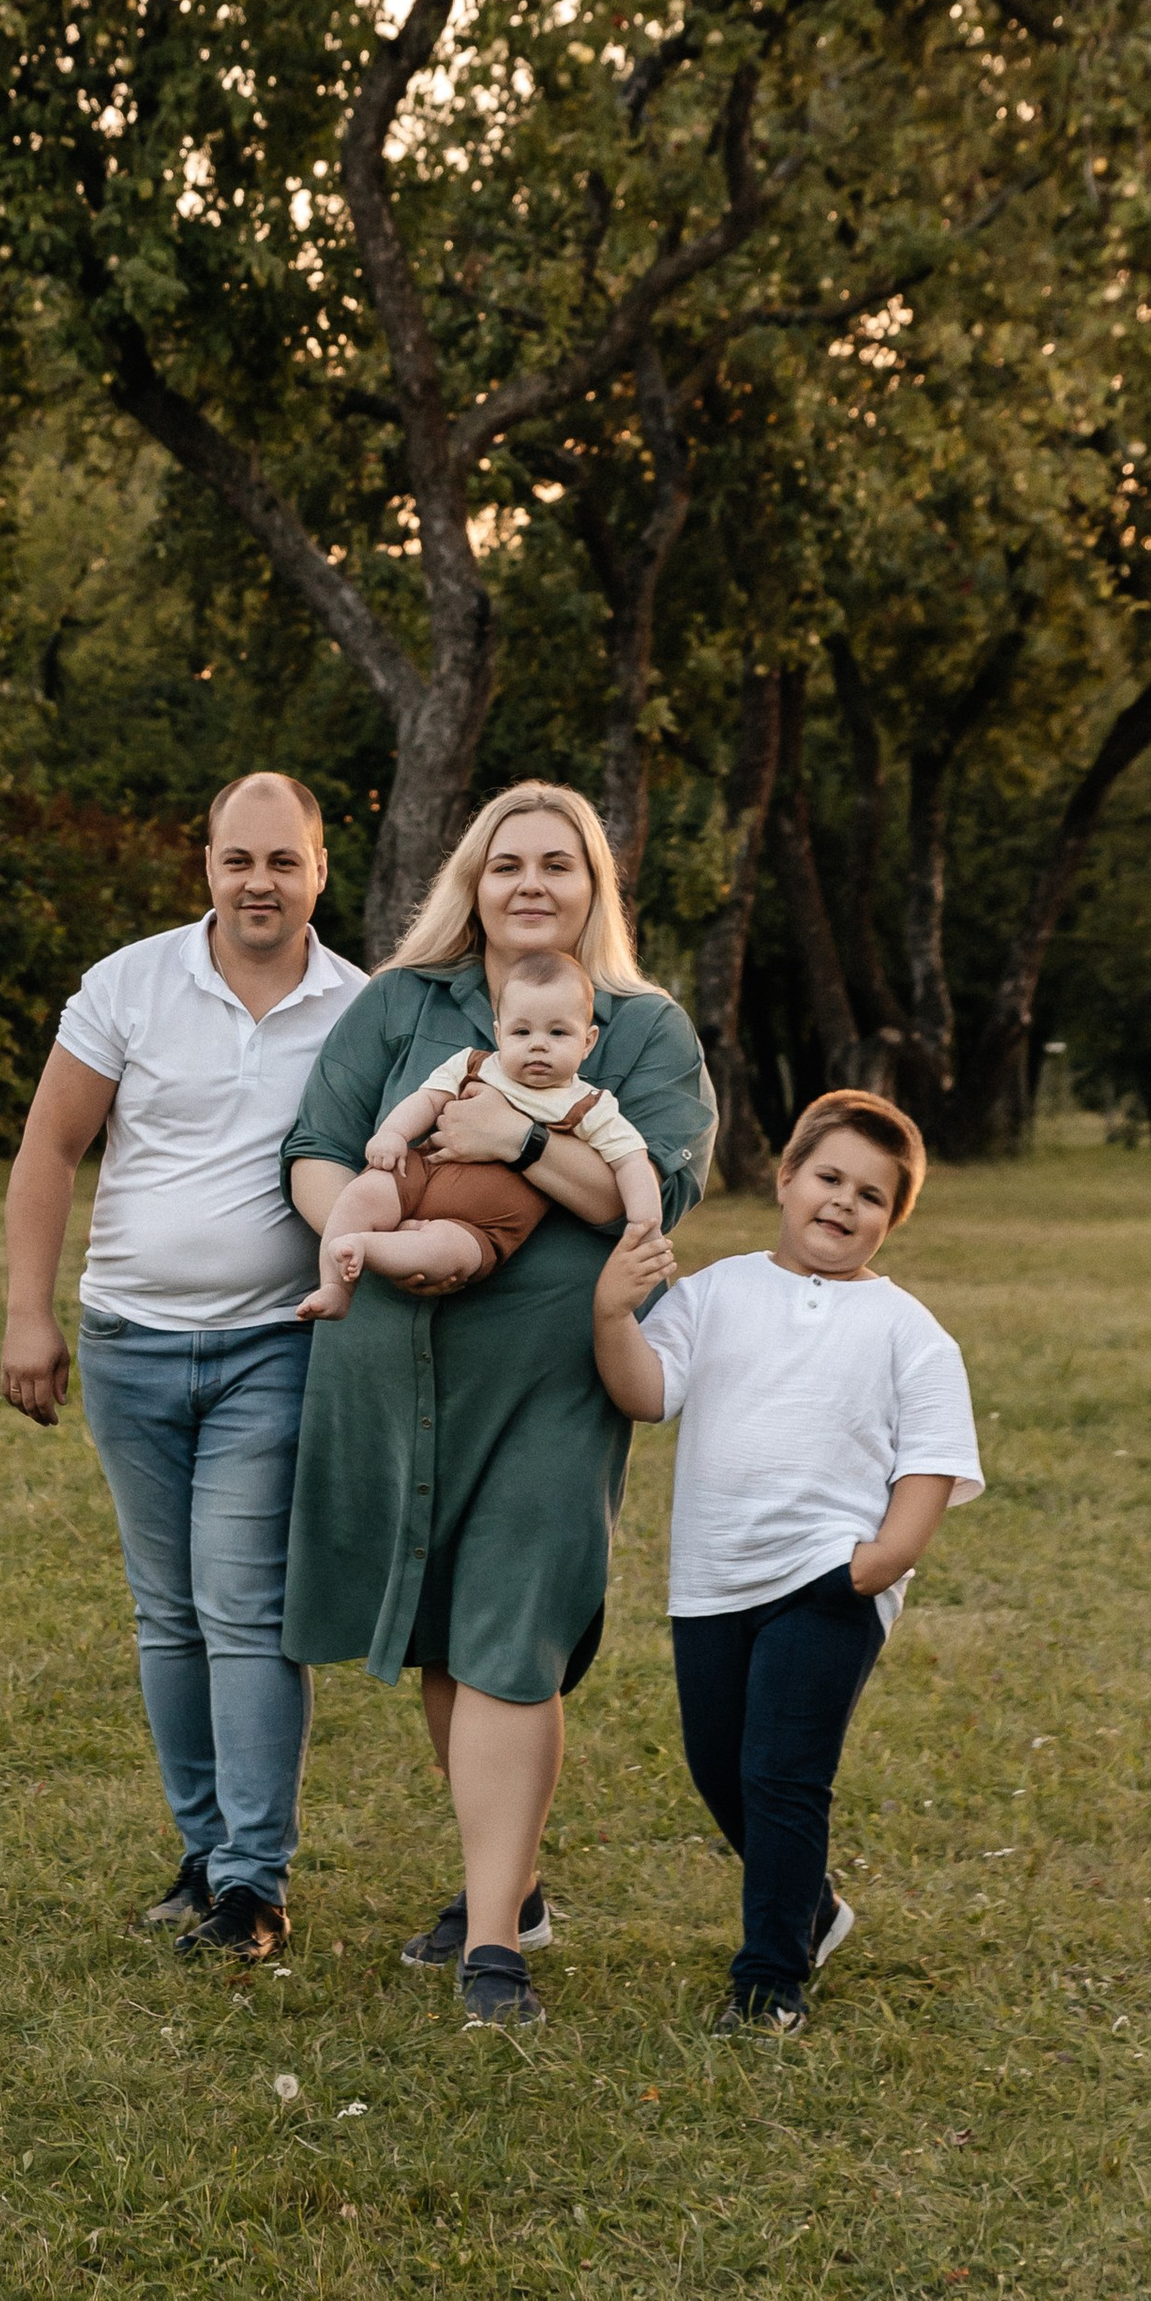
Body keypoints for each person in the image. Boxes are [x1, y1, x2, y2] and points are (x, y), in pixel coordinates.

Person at [279, 783, 716, 2027]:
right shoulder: (400, 1006)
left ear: (593, 891)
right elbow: (316, 1147)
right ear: (470, 881)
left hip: (548, 1386)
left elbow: (652, 1199)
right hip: (394, 1366)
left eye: (558, 866)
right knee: (440, 1637)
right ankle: (506, 1888)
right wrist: (372, 1233)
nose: (532, 883)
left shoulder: (638, 1028)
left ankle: (491, 1955)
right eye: (506, 863)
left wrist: (516, 1146)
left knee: (511, 1638)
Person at [2, 773, 366, 1962]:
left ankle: (253, 1885)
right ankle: (204, 1854)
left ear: (320, 868)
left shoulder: (359, 1009)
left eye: (282, 860)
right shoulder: (129, 984)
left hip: (276, 1343)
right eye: (235, 859)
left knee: (244, 1609)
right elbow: (51, 1147)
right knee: (168, 1617)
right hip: (127, 1344)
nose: (257, 881)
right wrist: (28, 1314)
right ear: (203, 864)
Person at [592, 1086, 983, 2035]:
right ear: (786, 1176)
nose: (844, 1204)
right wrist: (611, 1315)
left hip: (827, 1582)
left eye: (873, 1196)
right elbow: (648, 1394)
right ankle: (810, 1906)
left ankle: (770, 1978)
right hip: (714, 1579)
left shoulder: (909, 1332)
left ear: (895, 1219)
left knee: (781, 1773)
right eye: (830, 1177)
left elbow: (932, 1461)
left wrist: (878, 1564)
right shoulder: (718, 1291)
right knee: (716, 1766)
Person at [297, 948, 664, 1318]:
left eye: (558, 1032)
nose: (538, 1043)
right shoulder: (475, 1065)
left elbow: (632, 1161)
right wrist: (392, 1133)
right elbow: (427, 1101)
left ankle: (366, 1247)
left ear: (587, 1041)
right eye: (522, 1031)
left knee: (445, 1251)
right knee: (364, 1192)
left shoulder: (588, 1106)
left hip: (482, 1227)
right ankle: (335, 1287)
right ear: (498, 1033)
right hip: (420, 1176)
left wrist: (644, 1223)